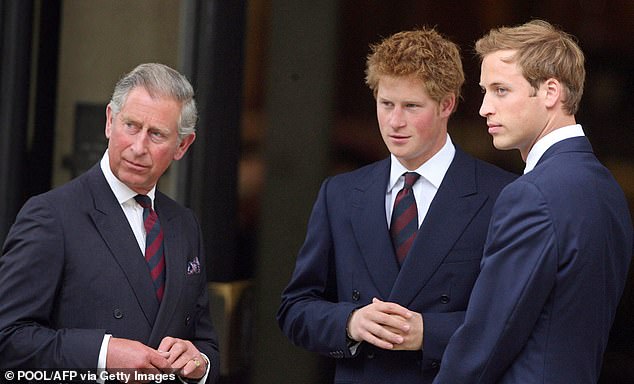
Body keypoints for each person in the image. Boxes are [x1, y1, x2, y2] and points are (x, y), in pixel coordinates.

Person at [277, 28, 516, 383]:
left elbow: (512, 321)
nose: (394, 122)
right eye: (386, 104)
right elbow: (295, 309)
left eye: (411, 106)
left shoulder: (502, 196)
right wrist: (350, 321)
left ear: (447, 104)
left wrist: (429, 333)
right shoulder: (340, 194)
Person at [433, 20, 633, 383]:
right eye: (484, 91)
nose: (483, 108)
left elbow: (489, 337)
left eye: (500, 90)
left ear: (551, 92)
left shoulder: (532, 195)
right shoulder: (606, 187)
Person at [0, 63, 220, 383]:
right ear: (109, 121)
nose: (138, 147)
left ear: (182, 146)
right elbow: (7, 338)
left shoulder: (184, 225)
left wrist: (199, 363)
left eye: (156, 134)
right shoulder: (51, 215)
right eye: (131, 125)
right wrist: (103, 355)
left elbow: (204, 341)